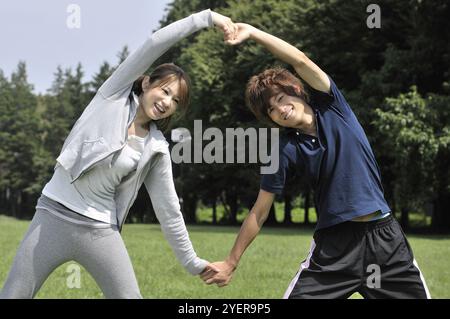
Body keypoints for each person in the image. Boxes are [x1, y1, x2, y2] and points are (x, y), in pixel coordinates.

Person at [0, 9, 238, 299]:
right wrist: (207, 18)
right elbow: (154, 44)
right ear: (147, 82)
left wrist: (192, 263)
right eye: (164, 91)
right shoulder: (111, 96)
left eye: (175, 100)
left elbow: (169, 210)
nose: (166, 102)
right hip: (52, 215)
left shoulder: (156, 148)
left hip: (100, 231)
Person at [201, 22, 431, 299]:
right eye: (271, 110)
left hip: (386, 242)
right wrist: (230, 262)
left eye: (281, 98)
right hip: (335, 247)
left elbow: (299, 59)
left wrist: (253, 32)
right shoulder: (283, 149)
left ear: (297, 91)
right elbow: (259, 211)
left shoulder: (334, 107)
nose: (280, 110)